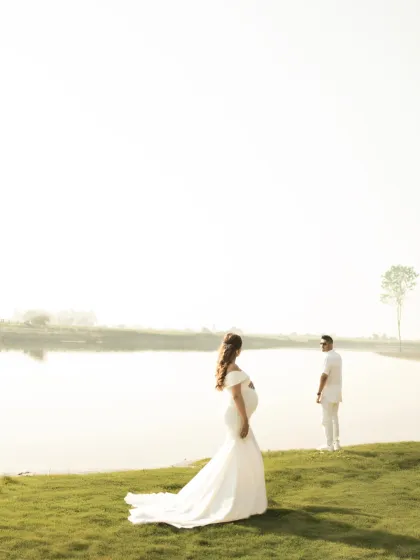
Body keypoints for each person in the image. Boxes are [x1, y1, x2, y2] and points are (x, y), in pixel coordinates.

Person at [124, 332, 267, 528]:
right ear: (239, 350)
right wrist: (244, 421)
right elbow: (236, 397)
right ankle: (229, 498)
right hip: (237, 417)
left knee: (241, 454)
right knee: (238, 454)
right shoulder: (233, 368)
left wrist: (249, 386)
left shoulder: (232, 367)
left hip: (237, 416)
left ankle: (239, 496)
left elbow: (241, 389)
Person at [316, 335, 342, 452]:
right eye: (321, 344)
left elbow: (324, 376)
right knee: (334, 418)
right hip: (337, 392)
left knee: (326, 420)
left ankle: (329, 445)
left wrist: (319, 393)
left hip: (328, 392)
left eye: (324, 344)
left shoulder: (328, 357)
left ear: (330, 344)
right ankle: (336, 444)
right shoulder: (338, 356)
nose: (322, 346)